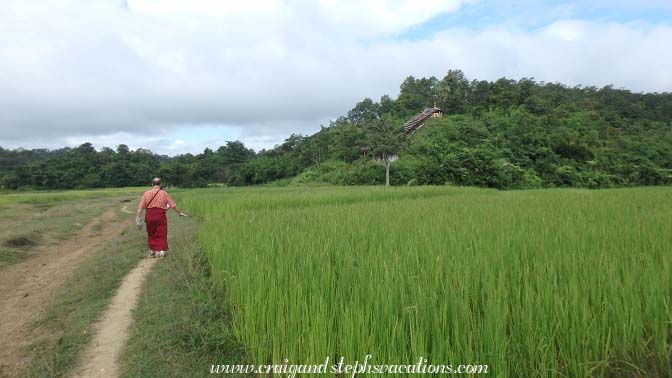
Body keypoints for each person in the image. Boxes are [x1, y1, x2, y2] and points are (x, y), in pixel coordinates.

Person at [135, 178, 187, 258]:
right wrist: (180, 213)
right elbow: (173, 205)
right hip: (160, 216)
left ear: (152, 184)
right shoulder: (164, 193)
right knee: (162, 232)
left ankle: (152, 252)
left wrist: (138, 218)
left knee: (151, 233)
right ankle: (162, 252)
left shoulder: (146, 194)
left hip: (149, 215)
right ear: (161, 184)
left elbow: (140, 208)